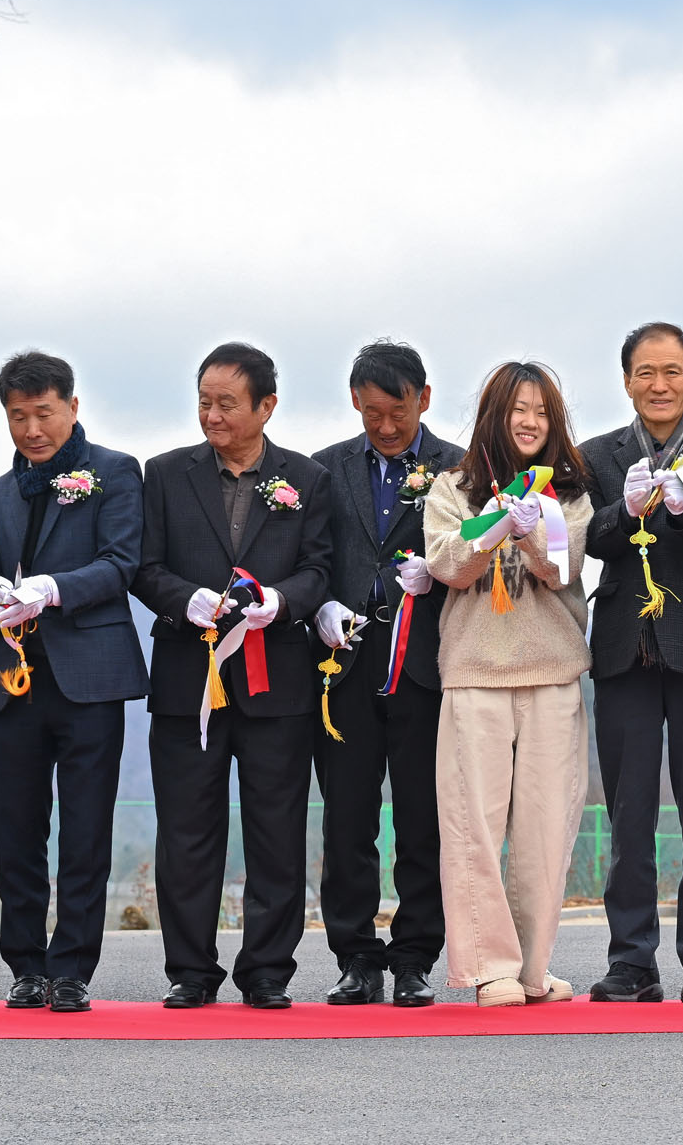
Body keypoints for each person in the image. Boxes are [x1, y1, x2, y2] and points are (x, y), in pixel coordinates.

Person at [132, 342, 333, 1010]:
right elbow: (144, 566)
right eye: (204, 403)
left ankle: (268, 971)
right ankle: (190, 971)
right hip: (188, 679)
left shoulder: (307, 478)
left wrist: (283, 601)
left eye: (227, 404)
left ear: (266, 405)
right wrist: (183, 599)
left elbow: (319, 569)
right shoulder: (165, 474)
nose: (212, 416)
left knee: (277, 832)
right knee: (186, 831)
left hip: (278, 681)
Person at [0, 351, 146, 1013]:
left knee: (85, 830)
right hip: (14, 675)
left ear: (72, 406)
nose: (32, 429)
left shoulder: (115, 471)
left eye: (44, 413)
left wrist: (52, 589)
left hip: (90, 677)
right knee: (16, 830)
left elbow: (121, 563)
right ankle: (24, 965)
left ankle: (71, 968)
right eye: (18, 416)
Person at [422, 361, 594, 1008]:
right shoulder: (452, 488)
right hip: (475, 675)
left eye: (542, 412)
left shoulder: (569, 494)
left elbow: (563, 568)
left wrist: (532, 529)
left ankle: (532, 968)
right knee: (472, 825)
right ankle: (490, 967)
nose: (530, 422)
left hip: (553, 673)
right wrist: (493, 525)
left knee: (547, 829)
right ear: (494, 414)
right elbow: (448, 566)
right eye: (519, 409)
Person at [581, 323, 683, 1005]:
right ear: (626, 381)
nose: (659, 384)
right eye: (645, 372)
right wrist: (625, 511)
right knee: (630, 816)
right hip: (625, 653)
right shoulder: (596, 455)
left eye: (672, 371)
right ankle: (632, 962)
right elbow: (587, 538)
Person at [308, 340, 464, 1008]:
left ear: (424, 398)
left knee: (424, 817)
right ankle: (355, 958)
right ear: (354, 401)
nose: (386, 426)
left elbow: (477, 555)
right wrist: (320, 604)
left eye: (398, 412)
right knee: (347, 819)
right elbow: (309, 557)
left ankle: (415, 957)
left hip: (426, 664)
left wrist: (442, 574)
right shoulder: (324, 469)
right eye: (372, 413)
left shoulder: (458, 468)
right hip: (343, 661)